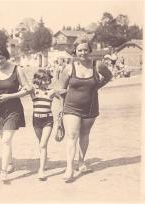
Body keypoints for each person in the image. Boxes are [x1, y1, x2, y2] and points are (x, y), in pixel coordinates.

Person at [57, 36, 113, 181]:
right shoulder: (68, 68)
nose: (83, 53)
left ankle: (81, 163)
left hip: (91, 106)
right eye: (80, 50)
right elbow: (61, 90)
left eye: (85, 50)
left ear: (89, 50)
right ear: (75, 51)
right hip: (71, 107)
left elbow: (108, 76)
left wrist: (96, 87)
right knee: (72, 136)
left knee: (85, 134)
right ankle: (69, 168)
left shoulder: (97, 65)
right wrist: (61, 109)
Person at [0, 46, 30, 182]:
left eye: (1, 59)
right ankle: (10, 163)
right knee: (4, 139)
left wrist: (10, 96)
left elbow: (28, 88)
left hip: (13, 109)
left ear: (7, 57)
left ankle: (3, 172)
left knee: (6, 140)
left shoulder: (17, 69)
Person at [30, 69, 65, 181]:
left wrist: (61, 109)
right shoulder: (33, 91)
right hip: (36, 120)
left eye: (48, 80)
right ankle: (43, 162)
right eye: (43, 80)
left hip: (48, 120)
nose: (46, 82)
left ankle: (41, 170)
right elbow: (24, 88)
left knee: (43, 144)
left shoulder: (52, 91)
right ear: (38, 80)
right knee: (41, 144)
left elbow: (61, 98)